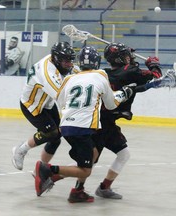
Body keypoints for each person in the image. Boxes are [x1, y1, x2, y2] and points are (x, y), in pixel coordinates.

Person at [34, 46, 135, 202]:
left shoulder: (69, 78)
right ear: (97, 62)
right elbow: (111, 104)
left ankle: (76, 191)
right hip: (83, 128)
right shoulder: (101, 75)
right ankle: (48, 170)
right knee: (85, 170)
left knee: (93, 153)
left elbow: (61, 102)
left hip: (66, 126)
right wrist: (124, 93)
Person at [91, 43, 163, 199]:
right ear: (118, 59)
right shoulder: (129, 72)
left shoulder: (106, 73)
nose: (130, 58)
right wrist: (154, 65)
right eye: (126, 55)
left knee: (123, 154)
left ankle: (104, 187)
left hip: (104, 120)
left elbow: (140, 85)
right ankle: (51, 172)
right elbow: (156, 78)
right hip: (103, 123)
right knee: (88, 163)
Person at [11, 42, 76, 172]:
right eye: (66, 61)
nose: (69, 64)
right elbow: (63, 98)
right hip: (32, 105)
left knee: (56, 138)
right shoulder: (48, 74)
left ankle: (40, 169)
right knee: (51, 133)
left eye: (70, 60)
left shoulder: (55, 61)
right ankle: (20, 150)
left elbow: (75, 70)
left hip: (46, 103)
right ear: (57, 60)